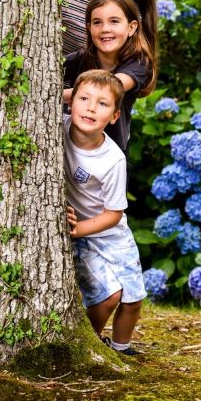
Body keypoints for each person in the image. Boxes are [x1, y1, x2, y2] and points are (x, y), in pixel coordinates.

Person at [64, 69, 146, 356]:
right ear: (71, 102)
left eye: (102, 103)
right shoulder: (56, 130)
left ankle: (121, 348)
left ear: (113, 117)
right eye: (84, 98)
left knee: (133, 297)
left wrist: (79, 229)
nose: (90, 107)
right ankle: (87, 344)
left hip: (109, 232)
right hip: (83, 237)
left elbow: (113, 213)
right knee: (107, 296)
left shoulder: (112, 160)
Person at [63, 0, 157, 152]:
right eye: (97, 22)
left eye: (114, 21)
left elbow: (108, 88)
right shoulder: (78, 60)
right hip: (70, 153)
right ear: (89, 27)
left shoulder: (139, 64)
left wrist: (52, 96)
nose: (105, 28)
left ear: (131, 27)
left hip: (106, 162)